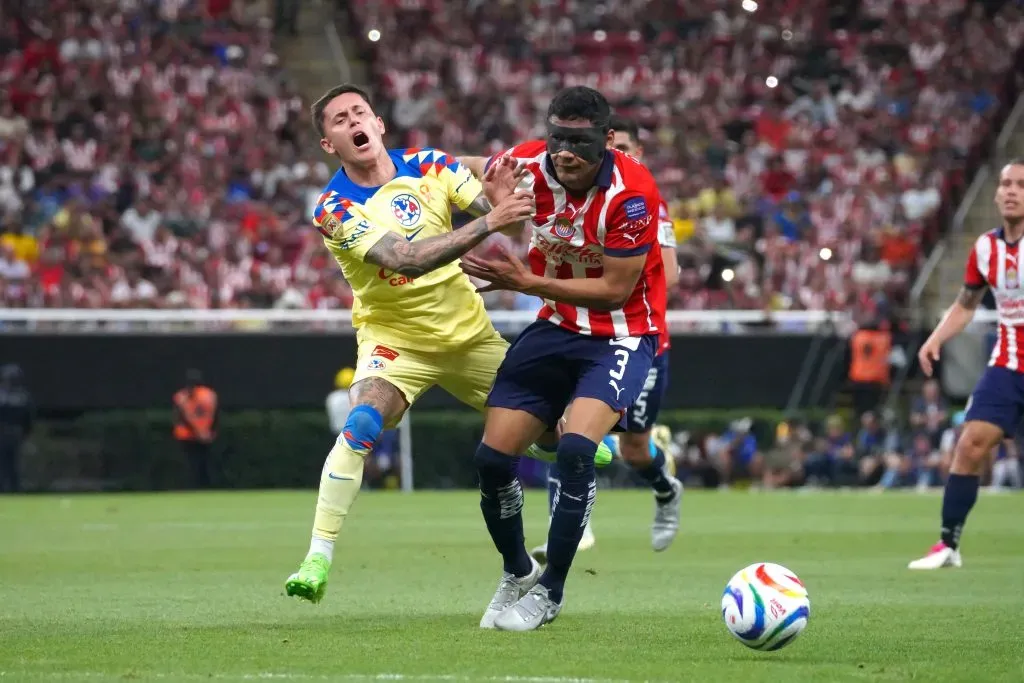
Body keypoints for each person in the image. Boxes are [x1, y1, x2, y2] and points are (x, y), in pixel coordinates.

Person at [284, 84, 612, 604]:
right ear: (329, 144)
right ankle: (317, 557)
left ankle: (571, 476)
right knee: (363, 420)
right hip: (396, 341)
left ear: (379, 123)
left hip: (470, 337)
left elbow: (499, 207)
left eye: (359, 112)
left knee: (555, 436)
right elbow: (405, 259)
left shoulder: (431, 165)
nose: (353, 122)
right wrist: (491, 219)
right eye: (339, 120)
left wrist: (506, 199)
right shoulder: (333, 208)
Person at [457, 86, 667, 630]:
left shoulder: (633, 194)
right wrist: (394, 171)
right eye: (557, 138)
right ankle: (517, 570)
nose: (565, 152)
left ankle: (550, 593)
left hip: (620, 335)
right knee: (492, 460)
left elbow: (617, 291)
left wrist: (524, 280)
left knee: (575, 449)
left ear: (608, 139)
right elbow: (455, 166)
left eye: (579, 140)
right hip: (554, 327)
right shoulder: (529, 164)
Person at [528, 115, 683, 562]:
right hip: (581, 333)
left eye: (632, 149)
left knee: (635, 448)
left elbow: (668, 274)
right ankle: (571, 531)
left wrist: (613, 262)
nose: (625, 158)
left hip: (638, 336)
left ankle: (665, 488)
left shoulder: (644, 203)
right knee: (569, 424)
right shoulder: (569, 196)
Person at [909, 159, 1024, 570]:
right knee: (970, 444)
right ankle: (948, 546)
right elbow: (966, 304)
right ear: (995, 194)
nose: (1012, 190)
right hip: (1009, 364)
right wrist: (935, 339)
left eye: (1021, 185)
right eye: (1006, 183)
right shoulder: (984, 249)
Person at [172, 369, 218, 489]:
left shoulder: (181, 396)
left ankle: (191, 487)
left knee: (190, 464)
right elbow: (215, 414)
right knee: (204, 464)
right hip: (206, 435)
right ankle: (205, 487)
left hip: (186, 435)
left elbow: (180, 417)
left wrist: (196, 432)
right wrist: (210, 432)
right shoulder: (210, 395)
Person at [0, 364, 32, 493]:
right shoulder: (22, 397)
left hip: (14, 434)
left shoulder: (22, 397)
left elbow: (28, 419)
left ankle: (14, 490)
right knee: (7, 464)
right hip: (10, 433)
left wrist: (25, 433)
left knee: (13, 465)